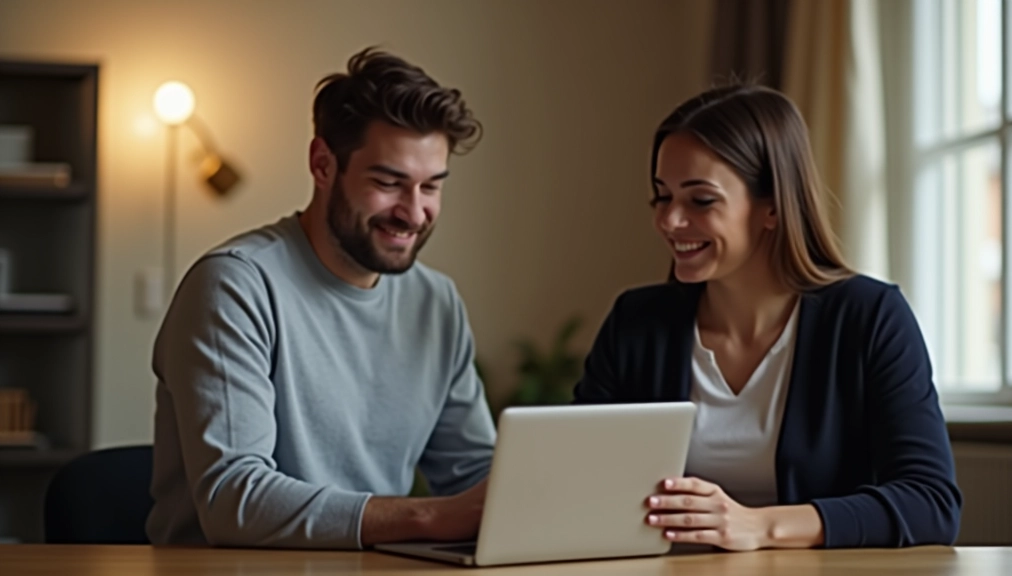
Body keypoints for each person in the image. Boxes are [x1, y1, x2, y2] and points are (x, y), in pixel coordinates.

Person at [573, 84, 962, 550]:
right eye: (662, 196)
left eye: (700, 200)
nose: (669, 220)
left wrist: (758, 526)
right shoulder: (635, 323)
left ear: (773, 207)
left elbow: (931, 503)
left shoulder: (870, 316)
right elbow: (577, 480)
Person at [146, 48, 495, 550]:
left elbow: (475, 476)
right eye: (388, 183)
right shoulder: (234, 287)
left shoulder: (436, 302)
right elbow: (233, 501)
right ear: (323, 164)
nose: (414, 213)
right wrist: (425, 516)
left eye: (431, 187)